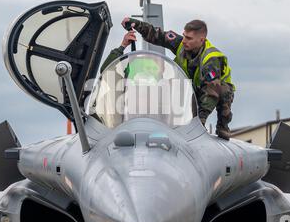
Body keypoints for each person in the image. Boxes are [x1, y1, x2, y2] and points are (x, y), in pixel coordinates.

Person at [100, 18, 235, 140]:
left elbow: (211, 93)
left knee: (222, 92)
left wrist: (200, 122)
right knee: (171, 84)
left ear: (201, 40)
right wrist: (137, 24)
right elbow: (158, 35)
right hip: (192, 87)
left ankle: (223, 126)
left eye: (188, 38)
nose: (183, 41)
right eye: (184, 36)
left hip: (215, 89)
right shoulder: (182, 44)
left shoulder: (211, 59)